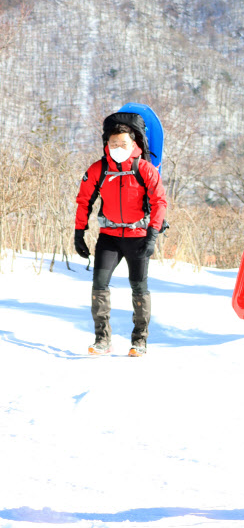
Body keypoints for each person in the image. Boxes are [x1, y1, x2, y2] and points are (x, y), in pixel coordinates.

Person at [74, 121, 167, 357]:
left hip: (138, 237)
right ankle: (102, 340)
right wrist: (79, 233)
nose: (117, 146)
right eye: (113, 143)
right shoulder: (98, 169)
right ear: (107, 143)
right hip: (109, 237)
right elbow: (84, 200)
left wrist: (152, 235)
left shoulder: (144, 169)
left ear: (133, 143)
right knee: (99, 286)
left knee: (139, 287)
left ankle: (140, 341)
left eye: (122, 143)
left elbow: (159, 202)